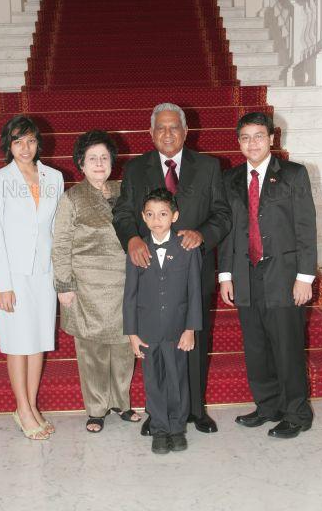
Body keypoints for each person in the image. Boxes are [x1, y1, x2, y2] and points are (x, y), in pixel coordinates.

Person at [113, 102, 231, 434]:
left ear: (185, 131)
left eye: (174, 127)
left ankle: (195, 409)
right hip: (151, 271)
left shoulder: (208, 166)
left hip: (192, 271)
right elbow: (123, 213)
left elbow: (222, 214)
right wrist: (132, 240)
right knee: (156, 347)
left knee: (191, 340)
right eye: (161, 128)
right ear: (151, 134)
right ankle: (159, 411)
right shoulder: (136, 169)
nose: (168, 133)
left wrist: (202, 234)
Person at [218, 112, 317, 439]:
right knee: (256, 347)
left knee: (287, 347)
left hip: (285, 277)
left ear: (272, 138)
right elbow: (227, 231)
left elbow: (305, 227)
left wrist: (305, 276)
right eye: (245, 137)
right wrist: (225, 275)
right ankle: (267, 406)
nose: (252, 143)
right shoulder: (230, 179)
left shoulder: (292, 175)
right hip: (246, 276)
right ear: (239, 142)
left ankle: (297, 413)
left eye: (258, 136)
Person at [52, 130, 140, 433]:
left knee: (124, 347)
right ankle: (96, 409)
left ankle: (122, 403)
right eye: (93, 158)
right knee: (92, 351)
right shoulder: (72, 198)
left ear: (112, 162)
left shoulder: (123, 190)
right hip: (87, 286)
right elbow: (60, 244)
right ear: (81, 163)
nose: (99, 164)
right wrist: (64, 285)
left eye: (104, 158)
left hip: (124, 281)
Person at [0, 115, 64, 440]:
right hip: (14, 276)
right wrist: (2, 284)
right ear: (9, 144)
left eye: (30, 141)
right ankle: (23, 407)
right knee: (17, 344)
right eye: (18, 141)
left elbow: (58, 230)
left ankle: (28, 407)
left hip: (44, 274)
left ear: (38, 143)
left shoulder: (54, 177)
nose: (25, 148)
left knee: (38, 343)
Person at [123, 188, 202, 454]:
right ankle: (159, 428)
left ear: (174, 216)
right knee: (153, 382)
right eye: (151, 214)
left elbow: (194, 291)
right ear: (143, 218)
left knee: (178, 379)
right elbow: (130, 295)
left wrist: (190, 328)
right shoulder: (137, 250)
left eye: (163, 214)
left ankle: (177, 428)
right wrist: (132, 333)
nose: (157, 219)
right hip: (147, 330)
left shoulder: (186, 249)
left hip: (177, 329)